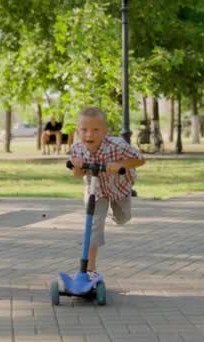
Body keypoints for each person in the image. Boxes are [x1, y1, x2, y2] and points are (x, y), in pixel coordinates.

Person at [69, 106, 145, 278]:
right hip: (96, 191)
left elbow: (140, 160)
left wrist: (121, 165)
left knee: (123, 218)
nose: (89, 135)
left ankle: (114, 213)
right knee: (94, 225)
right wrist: (77, 166)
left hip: (120, 188)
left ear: (105, 131)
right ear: (78, 131)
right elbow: (77, 174)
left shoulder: (117, 145)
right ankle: (90, 269)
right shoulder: (77, 149)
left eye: (96, 130)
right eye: (84, 130)